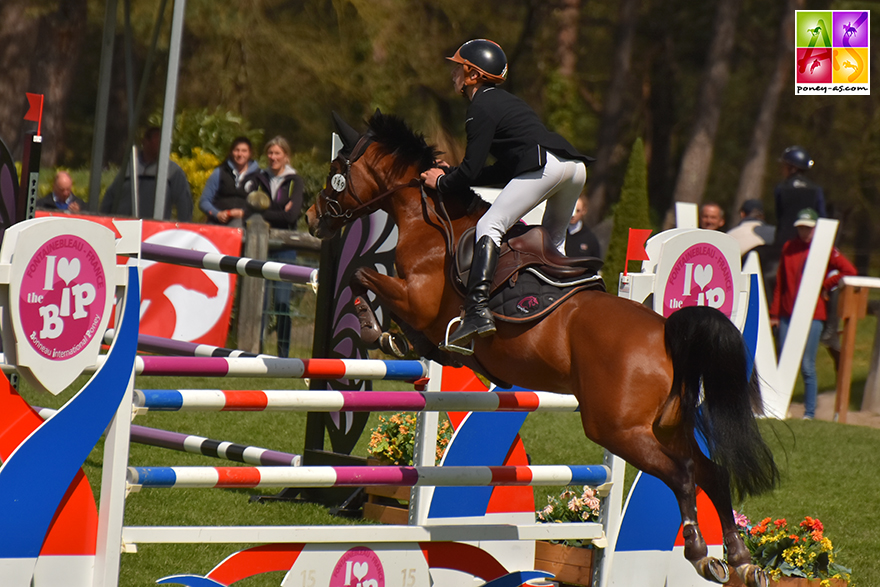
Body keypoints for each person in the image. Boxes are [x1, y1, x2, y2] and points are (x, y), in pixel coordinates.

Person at [420, 39, 594, 349]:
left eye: (459, 68)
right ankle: (567, 303)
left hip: (546, 166)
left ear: (473, 75)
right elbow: (499, 171)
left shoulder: (479, 107)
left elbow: (471, 172)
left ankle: (476, 311)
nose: (453, 74)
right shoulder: (505, 101)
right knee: (554, 240)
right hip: (573, 167)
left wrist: (442, 182)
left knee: (490, 225)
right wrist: (453, 173)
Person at [770, 208, 856, 420]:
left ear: (816, 228)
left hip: (813, 314)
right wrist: (774, 313)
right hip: (787, 313)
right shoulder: (789, 247)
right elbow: (781, 282)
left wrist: (826, 284)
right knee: (784, 363)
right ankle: (779, 407)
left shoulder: (826, 249)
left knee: (807, 365)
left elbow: (849, 270)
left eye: (808, 228)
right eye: (801, 227)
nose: (804, 232)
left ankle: (809, 412)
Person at [241, 136, 305, 358]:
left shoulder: (295, 181)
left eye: (277, 153)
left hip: (286, 248)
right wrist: (279, 211)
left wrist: (264, 212)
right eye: (270, 153)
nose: (273, 157)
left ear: (286, 156)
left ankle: (283, 354)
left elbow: (292, 216)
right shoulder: (257, 179)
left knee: (281, 303)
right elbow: (248, 212)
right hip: (260, 247)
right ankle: (254, 351)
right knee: (259, 301)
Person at [100, 126, 193, 222]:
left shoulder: (172, 171)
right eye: (158, 141)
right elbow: (111, 195)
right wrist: (104, 220)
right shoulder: (130, 167)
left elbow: (184, 202)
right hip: (123, 225)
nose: (162, 145)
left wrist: (183, 226)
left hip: (153, 227)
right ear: (145, 142)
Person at [199, 137, 261, 226]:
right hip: (217, 220)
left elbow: (262, 205)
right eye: (237, 150)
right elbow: (204, 201)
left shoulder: (259, 175)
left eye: (244, 151)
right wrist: (217, 214)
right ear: (231, 152)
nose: (240, 154)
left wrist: (244, 213)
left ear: (250, 153)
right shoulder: (219, 172)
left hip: (242, 221)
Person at [774, 146, 826, 247]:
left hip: (786, 244)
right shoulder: (816, 189)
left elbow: (779, 216)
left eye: (784, 166)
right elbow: (822, 216)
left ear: (792, 168)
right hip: (809, 243)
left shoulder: (781, 188)